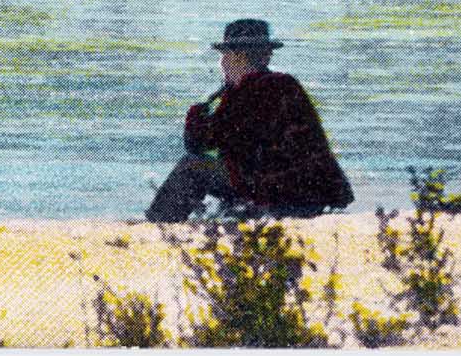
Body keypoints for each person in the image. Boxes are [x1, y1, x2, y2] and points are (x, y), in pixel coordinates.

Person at [145, 19, 354, 223]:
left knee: (193, 167)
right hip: (299, 193)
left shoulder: (256, 88)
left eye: (224, 55)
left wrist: (202, 108)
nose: (221, 62)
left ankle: (159, 223)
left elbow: (200, 142)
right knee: (223, 173)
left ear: (236, 56)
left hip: (285, 196)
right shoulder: (279, 85)